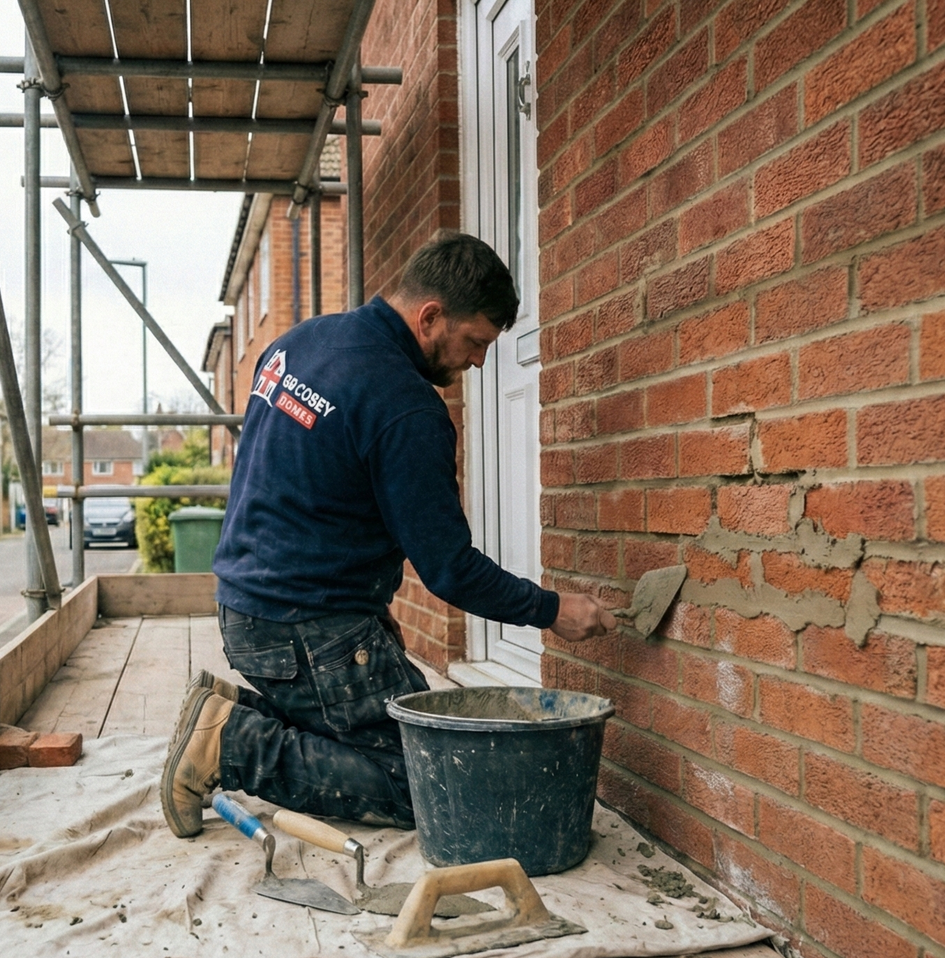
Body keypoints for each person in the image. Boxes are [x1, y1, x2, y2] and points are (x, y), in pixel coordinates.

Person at [160, 231, 618, 838]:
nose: (479, 362)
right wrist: (551, 609)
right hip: (303, 631)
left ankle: (230, 716)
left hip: (248, 609)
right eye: (476, 341)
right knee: (434, 782)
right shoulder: (405, 405)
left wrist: (365, 611)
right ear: (431, 316)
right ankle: (234, 746)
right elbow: (449, 568)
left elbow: (302, 490)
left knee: (395, 734)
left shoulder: (301, 343)